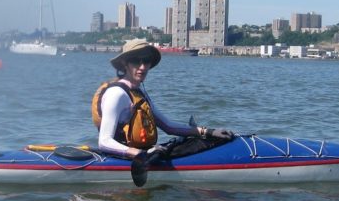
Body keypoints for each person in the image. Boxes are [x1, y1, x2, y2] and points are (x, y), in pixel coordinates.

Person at [93, 39, 234, 160]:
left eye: (146, 61)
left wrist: (208, 132)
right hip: (123, 157)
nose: (142, 67)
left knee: (201, 141)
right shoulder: (116, 94)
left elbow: (168, 126)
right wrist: (140, 154)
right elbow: (104, 142)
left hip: (143, 152)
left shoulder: (138, 93)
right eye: (136, 61)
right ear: (125, 63)